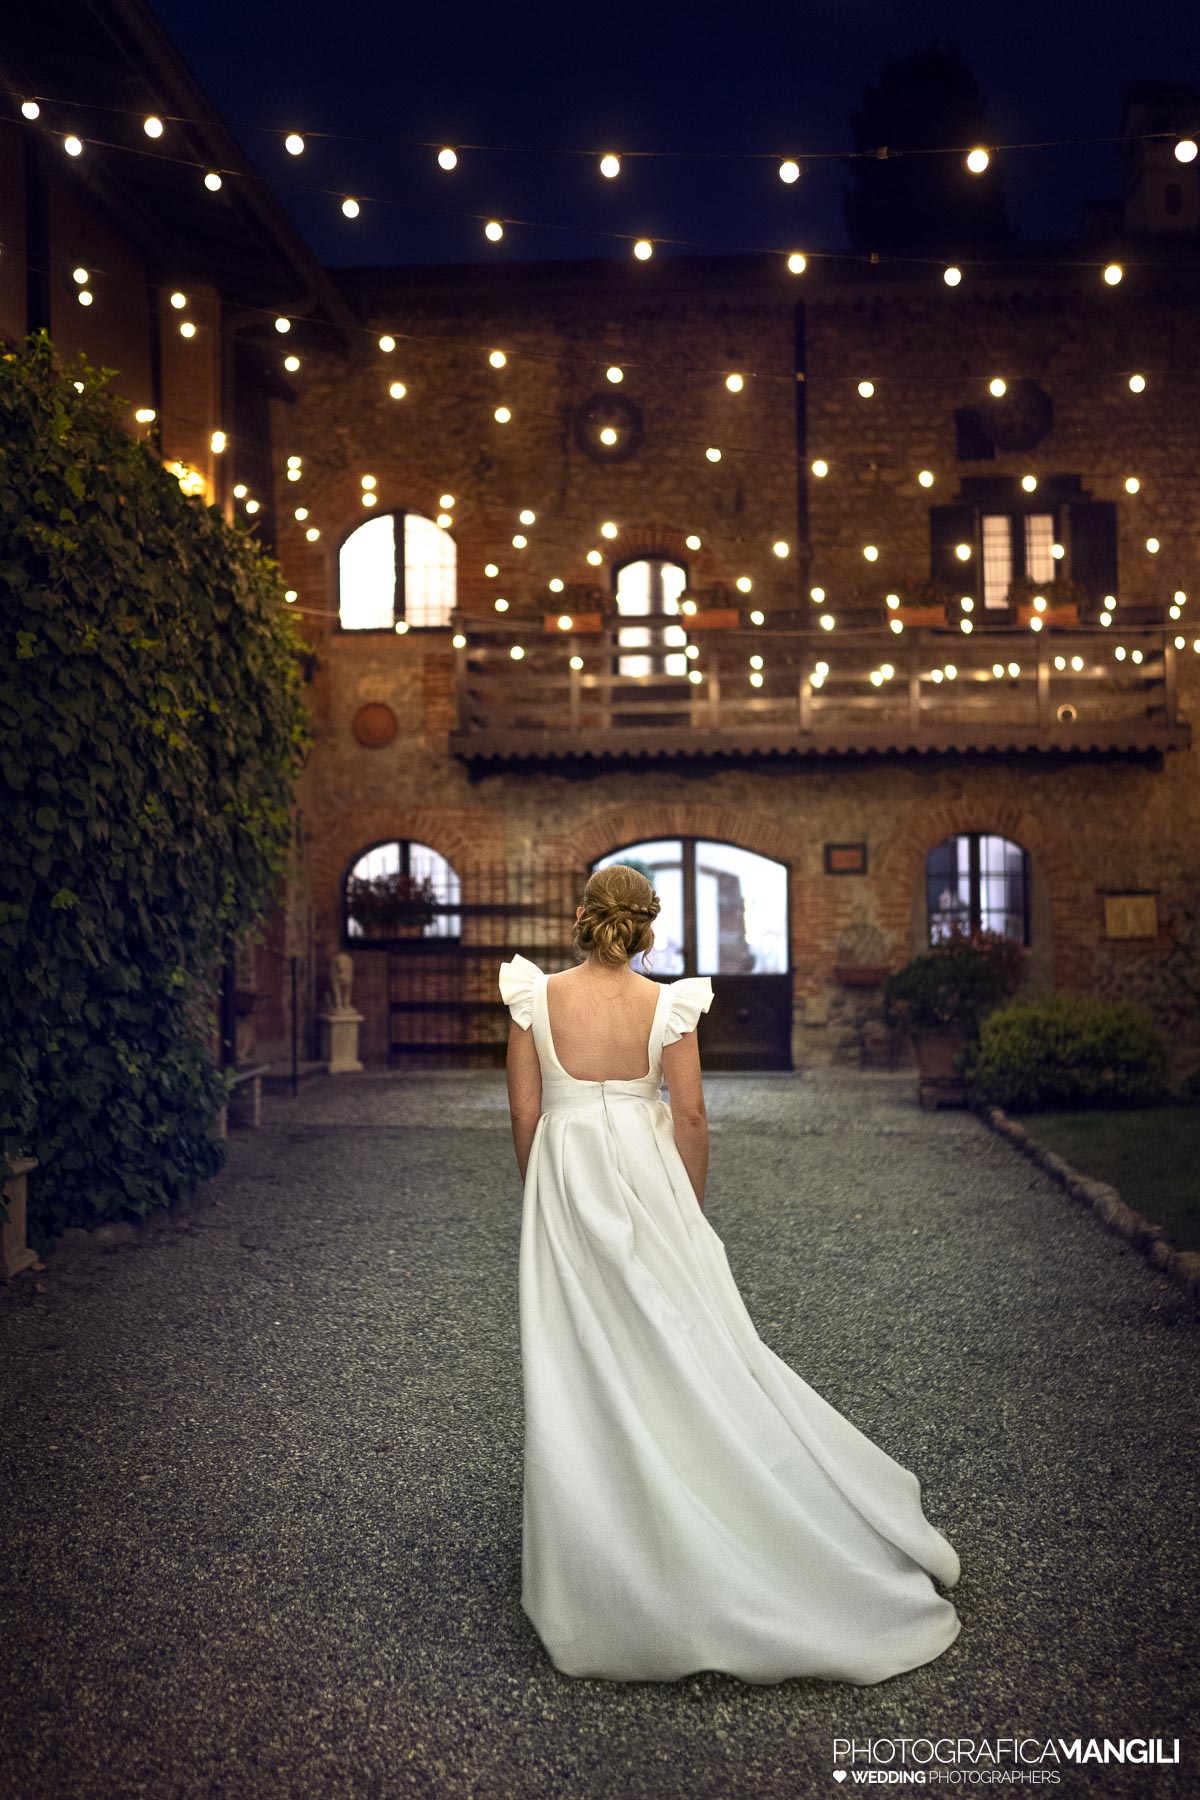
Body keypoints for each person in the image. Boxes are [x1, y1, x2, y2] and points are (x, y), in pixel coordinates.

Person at [499, 862, 962, 1685]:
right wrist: (688, 1212)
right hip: (650, 1183)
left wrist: (542, 1191)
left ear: (582, 916)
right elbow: (689, 1114)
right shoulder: (666, 1006)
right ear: (646, 924)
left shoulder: (535, 997)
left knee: (579, 1354)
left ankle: (606, 1543)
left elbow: (526, 1111)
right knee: (685, 1342)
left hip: (564, 1180)